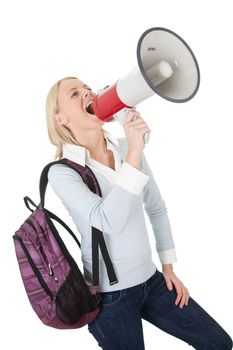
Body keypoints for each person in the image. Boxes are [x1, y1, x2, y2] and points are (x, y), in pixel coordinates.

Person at [46, 76, 232, 350]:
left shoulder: (124, 149)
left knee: (219, 344)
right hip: (110, 299)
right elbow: (108, 220)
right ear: (61, 119)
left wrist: (168, 268)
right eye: (74, 94)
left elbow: (156, 207)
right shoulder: (62, 172)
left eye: (87, 88)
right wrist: (134, 150)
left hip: (152, 281)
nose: (86, 93)